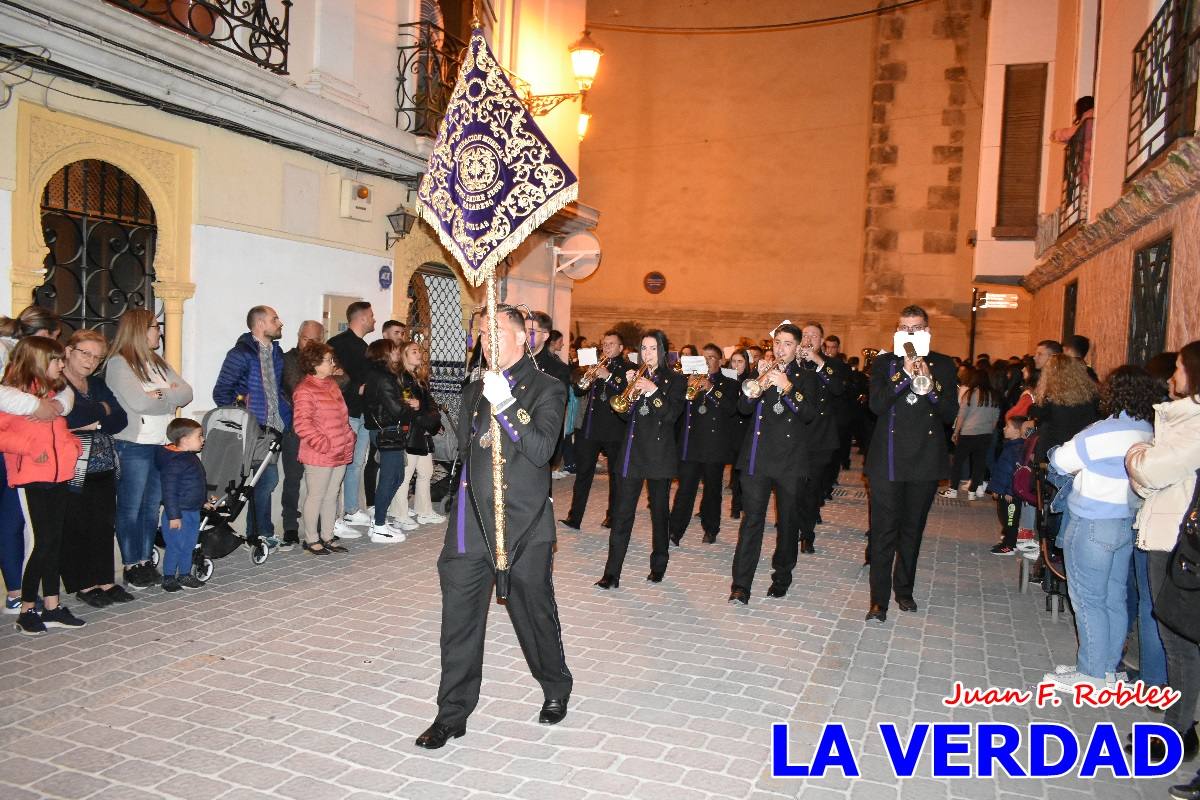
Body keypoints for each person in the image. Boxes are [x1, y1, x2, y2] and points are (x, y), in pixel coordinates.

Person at [415, 304, 572, 749]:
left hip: (524, 523)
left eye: (497, 332)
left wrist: (506, 401)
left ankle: (555, 686)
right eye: (483, 335)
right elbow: (468, 449)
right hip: (470, 523)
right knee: (459, 620)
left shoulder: (548, 388)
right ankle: (452, 713)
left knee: (532, 613)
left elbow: (542, 450)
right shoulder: (473, 389)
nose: (488, 341)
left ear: (526, 338)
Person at [1044, 366, 1157, 693]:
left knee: (1087, 600)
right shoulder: (1146, 431)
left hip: (1092, 522)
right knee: (1112, 598)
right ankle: (1105, 668)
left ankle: (1090, 674)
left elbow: (1061, 461)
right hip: (1124, 522)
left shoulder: (1101, 432)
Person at [1127, 341, 1200, 771]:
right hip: (1166, 529)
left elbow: (1149, 470)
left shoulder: (1193, 425)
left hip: (1177, 540)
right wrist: (1144, 464)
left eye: (1177, 368)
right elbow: (1145, 480)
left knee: (1179, 640)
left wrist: (1136, 455)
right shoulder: (1182, 420)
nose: (1171, 376)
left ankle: (1178, 733)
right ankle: (1178, 727)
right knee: (1178, 639)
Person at [865, 305, 959, 622]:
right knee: (883, 533)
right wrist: (903, 374)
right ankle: (878, 600)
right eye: (904, 328)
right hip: (887, 462)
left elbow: (948, 414)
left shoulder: (944, 365)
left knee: (911, 531)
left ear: (927, 331)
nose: (910, 334)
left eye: (916, 328)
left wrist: (929, 382)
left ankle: (904, 590)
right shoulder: (883, 363)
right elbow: (876, 406)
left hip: (924, 461)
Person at [727, 324, 818, 604]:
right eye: (777, 342)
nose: (780, 348)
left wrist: (787, 387)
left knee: (787, 522)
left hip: (790, 461)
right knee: (751, 521)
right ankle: (741, 585)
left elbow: (809, 414)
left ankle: (782, 576)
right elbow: (742, 408)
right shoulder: (760, 372)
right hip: (758, 458)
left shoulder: (806, 377)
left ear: (798, 347)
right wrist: (757, 386)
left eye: (787, 343)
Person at [1, 337, 85, 634]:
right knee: (39, 544)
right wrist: (26, 446)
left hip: (60, 473)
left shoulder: (54, 394)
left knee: (54, 541)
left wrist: (71, 446)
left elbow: (60, 428)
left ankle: (52, 606)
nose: (62, 365)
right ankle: (26, 609)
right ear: (37, 361)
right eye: (56, 360)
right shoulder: (14, 398)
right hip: (32, 476)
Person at [106, 308, 194, 589]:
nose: (160, 332)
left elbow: (186, 393)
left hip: (161, 444)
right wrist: (167, 395)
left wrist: (160, 394)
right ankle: (131, 563)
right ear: (139, 330)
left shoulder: (157, 362)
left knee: (151, 507)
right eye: (155, 327)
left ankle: (145, 560)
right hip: (134, 445)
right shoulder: (120, 364)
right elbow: (140, 403)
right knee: (130, 508)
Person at [593, 330, 685, 589]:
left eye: (653, 349)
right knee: (622, 515)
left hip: (658, 455)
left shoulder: (675, 380)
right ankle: (611, 574)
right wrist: (629, 389)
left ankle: (658, 565)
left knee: (659, 514)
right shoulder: (635, 374)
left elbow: (670, 416)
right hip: (632, 454)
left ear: (663, 351)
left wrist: (654, 391)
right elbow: (623, 414)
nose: (647, 354)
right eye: (644, 349)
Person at [60, 330, 134, 607]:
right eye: (85, 353)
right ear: (68, 351)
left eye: (97, 357)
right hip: (72, 467)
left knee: (103, 525)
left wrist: (94, 421)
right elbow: (69, 417)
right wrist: (100, 412)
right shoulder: (57, 382)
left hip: (103, 464)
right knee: (77, 525)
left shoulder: (97, 385)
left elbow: (120, 419)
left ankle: (105, 579)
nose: (91, 361)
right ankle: (84, 583)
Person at [212, 305, 290, 543]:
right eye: (275, 319)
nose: (280, 322)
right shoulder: (240, 354)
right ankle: (260, 534)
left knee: (264, 481)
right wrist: (243, 417)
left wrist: (288, 414)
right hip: (252, 429)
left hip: (273, 428)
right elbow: (221, 392)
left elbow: (276, 391)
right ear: (260, 324)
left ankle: (256, 533)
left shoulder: (277, 353)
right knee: (264, 481)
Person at [668, 343, 738, 545]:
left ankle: (711, 528)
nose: (707, 361)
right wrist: (685, 386)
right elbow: (677, 408)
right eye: (704, 357)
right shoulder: (689, 380)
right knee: (685, 490)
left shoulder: (728, 382)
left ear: (720, 361)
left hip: (714, 446)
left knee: (712, 491)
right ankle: (675, 530)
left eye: (711, 357)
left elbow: (731, 408)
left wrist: (711, 388)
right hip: (691, 445)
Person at [560, 330, 629, 531]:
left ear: (621, 348)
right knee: (583, 474)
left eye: (611, 344)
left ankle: (612, 517)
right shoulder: (597, 364)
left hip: (615, 428)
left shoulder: (628, 368)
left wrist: (608, 377)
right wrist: (587, 374)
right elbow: (579, 390)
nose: (606, 347)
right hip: (591, 428)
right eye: (604, 344)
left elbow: (626, 390)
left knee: (615, 477)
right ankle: (575, 517)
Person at [292, 343, 355, 555]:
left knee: (332, 495)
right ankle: (311, 539)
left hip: (339, 448)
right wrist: (323, 444)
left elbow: (341, 416)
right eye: (328, 360)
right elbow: (302, 424)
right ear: (314, 363)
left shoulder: (331, 385)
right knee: (316, 496)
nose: (332, 364)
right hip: (319, 453)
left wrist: (348, 436)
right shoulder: (305, 390)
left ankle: (328, 536)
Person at [796, 321, 847, 553]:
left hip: (820, 437)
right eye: (804, 335)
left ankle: (807, 534)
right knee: (793, 486)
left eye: (813, 336)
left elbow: (837, 388)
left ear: (821, 342)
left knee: (812, 487)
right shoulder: (793, 363)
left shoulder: (832, 364)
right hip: (793, 435)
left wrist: (818, 362)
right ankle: (791, 524)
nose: (808, 339)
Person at [327, 301, 375, 527]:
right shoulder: (337, 344)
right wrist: (357, 387)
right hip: (347, 413)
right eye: (372, 315)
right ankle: (335, 516)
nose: (374, 319)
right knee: (341, 464)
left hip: (363, 412)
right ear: (363, 318)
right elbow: (330, 377)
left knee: (357, 463)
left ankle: (351, 509)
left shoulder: (364, 346)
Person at [389, 340, 446, 528]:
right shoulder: (403, 379)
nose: (419, 354)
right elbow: (409, 406)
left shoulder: (419, 379)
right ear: (404, 355)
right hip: (411, 434)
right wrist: (425, 410)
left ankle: (424, 511)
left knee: (426, 472)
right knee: (406, 475)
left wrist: (425, 409)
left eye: (419, 351)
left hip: (421, 433)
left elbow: (430, 406)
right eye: (414, 351)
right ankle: (400, 513)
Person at [280, 320, 324, 549]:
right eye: (306, 338)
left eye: (315, 340)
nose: (309, 343)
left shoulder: (325, 360)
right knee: (293, 480)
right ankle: (289, 527)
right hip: (295, 430)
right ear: (298, 336)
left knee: (317, 483)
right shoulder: (289, 359)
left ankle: (314, 526)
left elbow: (343, 381)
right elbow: (296, 386)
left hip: (321, 430)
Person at [362, 339, 411, 544]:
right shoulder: (382, 378)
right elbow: (397, 409)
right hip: (387, 431)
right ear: (384, 354)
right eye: (394, 351)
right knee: (389, 478)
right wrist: (411, 407)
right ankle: (380, 526)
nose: (397, 354)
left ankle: (379, 520)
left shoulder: (385, 376)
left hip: (388, 430)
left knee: (397, 476)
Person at [155, 419, 210, 592]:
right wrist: (173, 516)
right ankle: (169, 577)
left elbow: (193, 484)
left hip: (192, 511)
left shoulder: (190, 457)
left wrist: (203, 502)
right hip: (178, 514)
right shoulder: (175, 462)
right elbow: (169, 491)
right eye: (199, 436)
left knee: (189, 544)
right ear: (185, 439)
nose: (203, 439)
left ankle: (184, 574)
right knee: (176, 546)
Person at [942, 367, 1001, 499]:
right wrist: (989, 431)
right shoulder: (994, 395)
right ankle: (972, 492)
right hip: (985, 434)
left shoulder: (970, 394)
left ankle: (953, 490)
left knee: (957, 462)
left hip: (968, 433)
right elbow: (995, 417)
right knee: (979, 463)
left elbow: (962, 415)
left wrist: (956, 431)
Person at [987, 415, 1027, 555]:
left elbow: (1015, 472)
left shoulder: (1017, 449)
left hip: (1011, 493)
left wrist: (1011, 491)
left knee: (1010, 520)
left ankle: (1010, 545)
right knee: (1004, 516)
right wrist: (996, 489)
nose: (1004, 428)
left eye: (1008, 426)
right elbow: (1002, 471)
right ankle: (1007, 541)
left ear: (1017, 431)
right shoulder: (1010, 446)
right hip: (1004, 491)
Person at [727, 348, 752, 520]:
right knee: (735, 470)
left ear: (746, 364)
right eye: (733, 362)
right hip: (730, 429)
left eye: (740, 362)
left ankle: (740, 503)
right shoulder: (726, 380)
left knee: (742, 471)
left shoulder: (750, 381)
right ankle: (736, 505)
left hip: (745, 430)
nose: (736, 365)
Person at [525, 311, 570, 389]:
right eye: (524, 330)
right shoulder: (514, 361)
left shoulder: (558, 369)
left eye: (531, 332)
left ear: (544, 336)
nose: (525, 335)